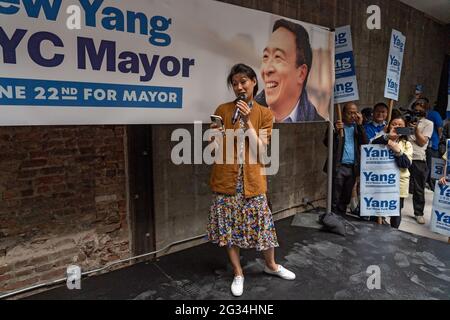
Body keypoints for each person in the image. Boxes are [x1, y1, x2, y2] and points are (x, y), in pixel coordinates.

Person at [207, 63, 295, 297]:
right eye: (235, 83)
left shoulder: (265, 114)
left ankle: (271, 266)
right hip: (226, 180)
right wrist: (214, 139)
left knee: (264, 227)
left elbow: (261, 150)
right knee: (229, 229)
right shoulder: (223, 110)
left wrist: (247, 121)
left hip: (252, 181)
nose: (239, 87)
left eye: (243, 81)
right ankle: (238, 273)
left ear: (254, 82)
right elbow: (214, 149)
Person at [256, 19, 323, 122]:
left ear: (301, 74)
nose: (267, 69)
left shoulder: (317, 125)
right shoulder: (246, 117)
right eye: (266, 56)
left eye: (278, 57)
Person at [324, 102, 368, 216]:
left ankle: (342, 216)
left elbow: (365, 142)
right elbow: (327, 143)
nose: (353, 116)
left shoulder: (357, 127)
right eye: (350, 113)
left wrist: (360, 125)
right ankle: (332, 217)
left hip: (352, 168)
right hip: (339, 167)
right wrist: (335, 132)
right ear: (343, 114)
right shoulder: (336, 125)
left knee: (346, 196)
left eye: (355, 113)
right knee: (335, 196)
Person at [371, 116, 413, 228]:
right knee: (377, 208)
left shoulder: (407, 144)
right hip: (381, 181)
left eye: (400, 125)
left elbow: (406, 164)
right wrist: (387, 137)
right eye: (394, 124)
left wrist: (397, 150)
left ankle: (395, 231)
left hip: (399, 183)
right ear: (389, 126)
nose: (397, 127)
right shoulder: (382, 139)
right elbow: (371, 145)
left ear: (404, 129)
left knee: (396, 210)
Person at [408, 100, 434, 224]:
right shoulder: (408, 119)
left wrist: (416, 129)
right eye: (415, 109)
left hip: (418, 158)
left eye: (420, 109)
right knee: (399, 184)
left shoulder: (428, 123)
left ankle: (418, 213)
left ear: (425, 111)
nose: (417, 111)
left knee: (419, 188)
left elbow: (422, 142)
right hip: (404, 155)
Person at [424, 99, 443, 190]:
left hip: (429, 144)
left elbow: (439, 128)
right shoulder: (433, 114)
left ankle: (429, 184)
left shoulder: (432, 114)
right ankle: (430, 184)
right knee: (430, 165)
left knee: (429, 165)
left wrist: (438, 139)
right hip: (428, 144)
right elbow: (440, 128)